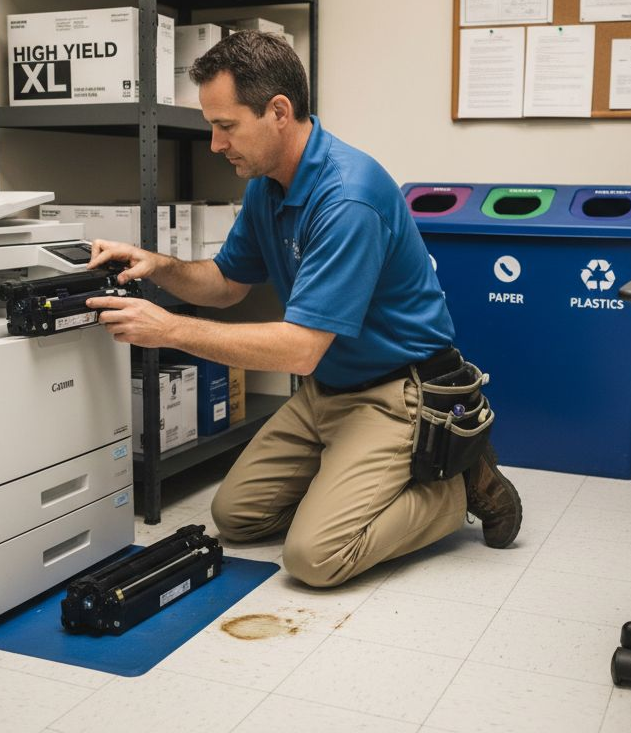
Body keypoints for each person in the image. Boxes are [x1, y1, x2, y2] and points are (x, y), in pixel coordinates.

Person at [85, 31, 523, 587]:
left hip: (395, 392)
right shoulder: (267, 185)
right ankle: (355, 480)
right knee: (237, 519)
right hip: (327, 390)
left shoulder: (347, 198)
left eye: (226, 126)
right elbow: (225, 283)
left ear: (278, 112)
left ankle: (459, 484)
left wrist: (168, 329)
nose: (215, 144)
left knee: (314, 558)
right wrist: (156, 265)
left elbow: (299, 349)